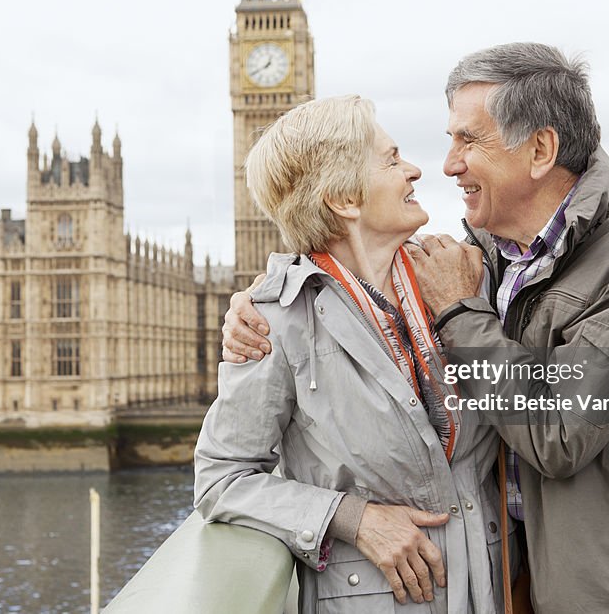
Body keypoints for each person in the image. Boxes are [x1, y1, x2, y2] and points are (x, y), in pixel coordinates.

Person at [223, 43, 609, 613]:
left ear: (540, 149)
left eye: (468, 140)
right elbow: (338, 276)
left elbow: (557, 432)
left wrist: (461, 314)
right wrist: (264, 297)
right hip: (524, 584)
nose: (441, 165)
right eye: (399, 157)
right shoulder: (487, 255)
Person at [194, 95, 514, 614]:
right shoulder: (275, 322)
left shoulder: (461, 275)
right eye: (391, 160)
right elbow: (221, 479)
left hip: (490, 590)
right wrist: (352, 517)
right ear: (344, 197)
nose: (414, 170)